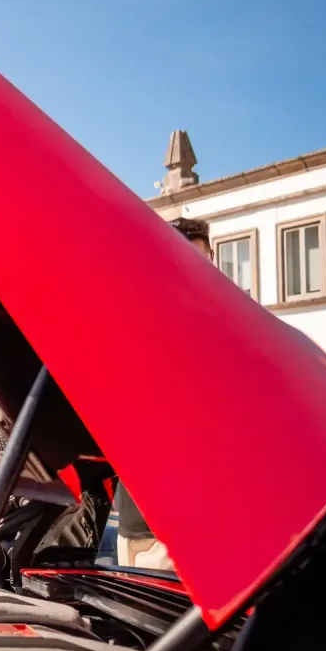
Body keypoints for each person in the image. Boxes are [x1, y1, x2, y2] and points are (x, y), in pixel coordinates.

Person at [113, 216, 211, 571]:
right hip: (155, 529)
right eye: (186, 262)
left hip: (190, 524)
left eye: (204, 264)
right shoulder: (149, 328)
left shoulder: (205, 326)